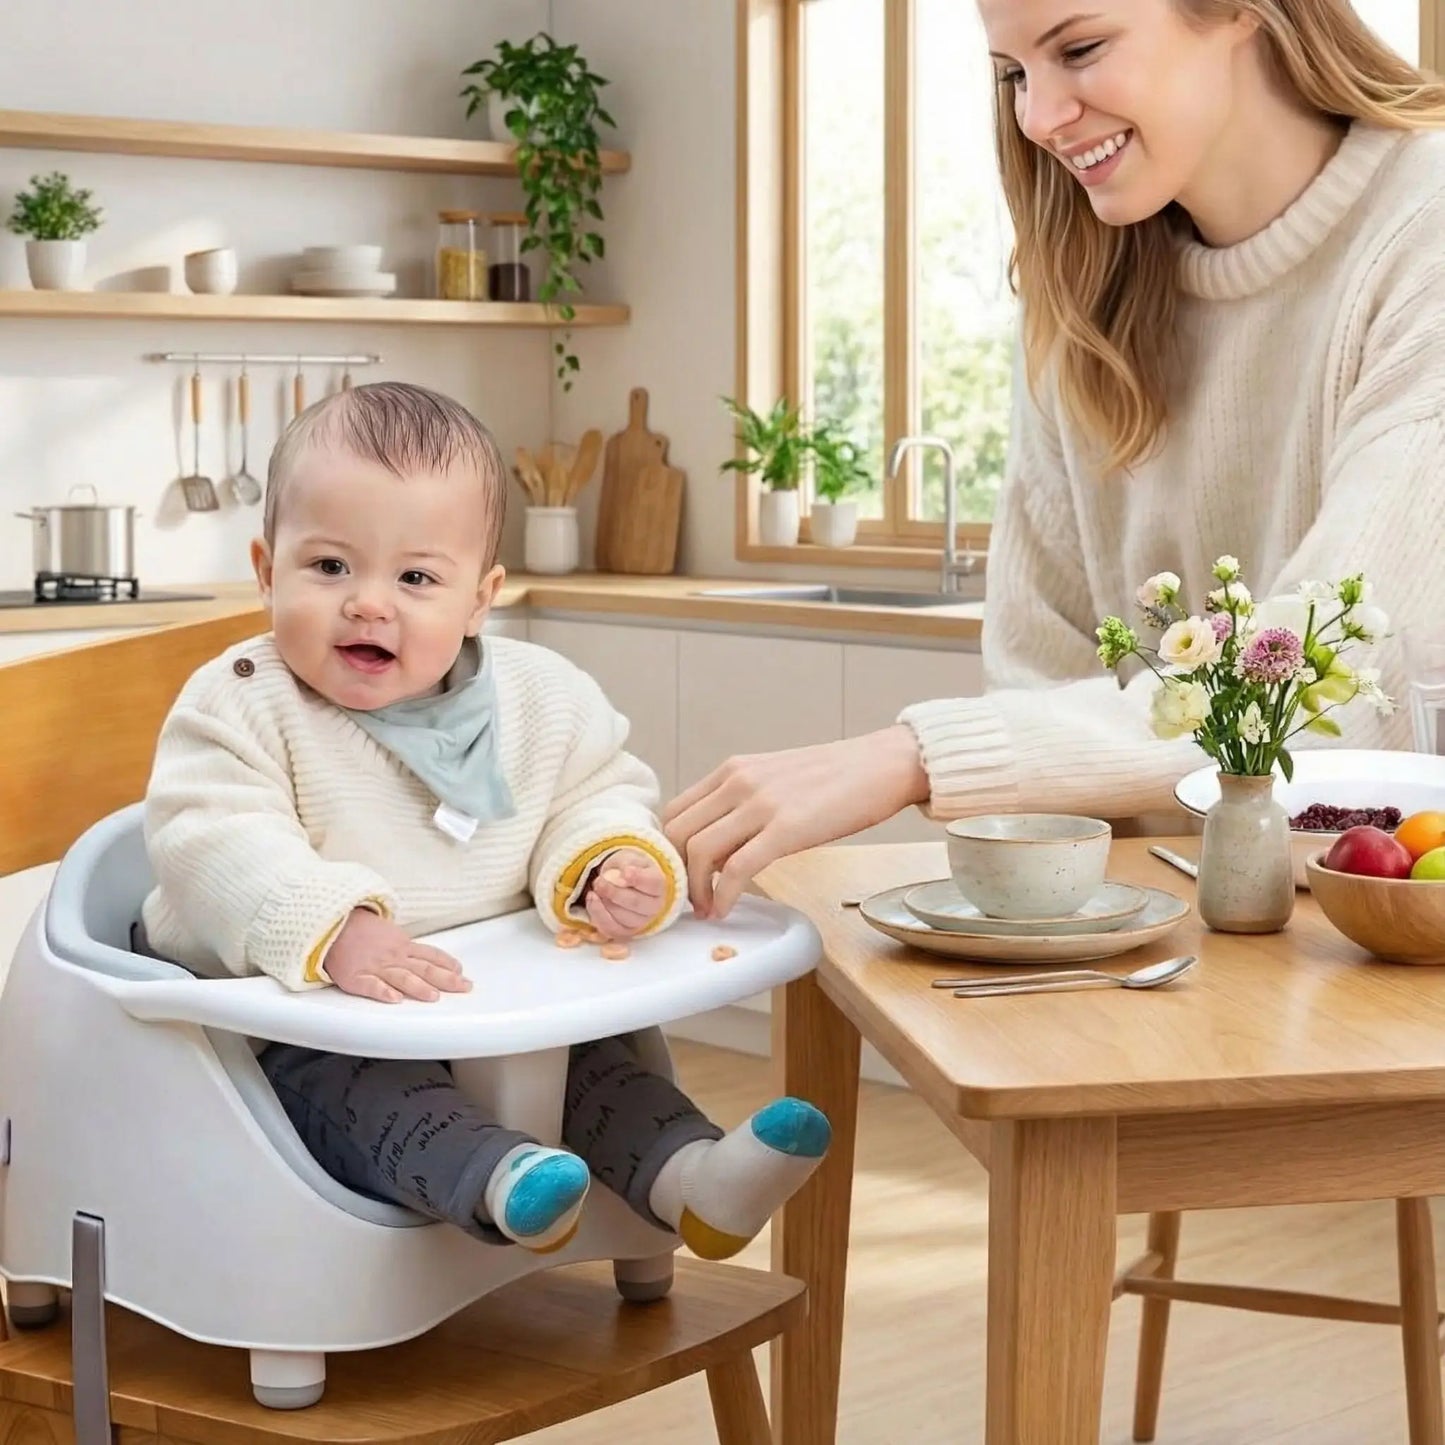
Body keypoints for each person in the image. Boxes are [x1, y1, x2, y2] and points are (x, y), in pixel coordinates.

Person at [664, 0, 1445, 921]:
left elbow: (1341, 667)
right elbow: (1038, 673)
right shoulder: (1081, 294)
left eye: (1079, 48)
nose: (1037, 119)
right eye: (1012, 73)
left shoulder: (1421, 230)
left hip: (1378, 938)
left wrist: (914, 753)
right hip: (1166, 923)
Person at [137, 381, 829, 1260]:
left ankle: (692, 1178)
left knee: (596, 1067)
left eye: (416, 576)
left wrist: (606, 864)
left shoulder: (543, 698)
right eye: (329, 567)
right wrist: (334, 927)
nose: (369, 602)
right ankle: (505, 1182)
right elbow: (211, 839)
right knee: (362, 1092)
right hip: (298, 1020)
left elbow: (596, 790)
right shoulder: (237, 703)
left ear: (480, 597)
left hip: (497, 1006)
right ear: (267, 570)